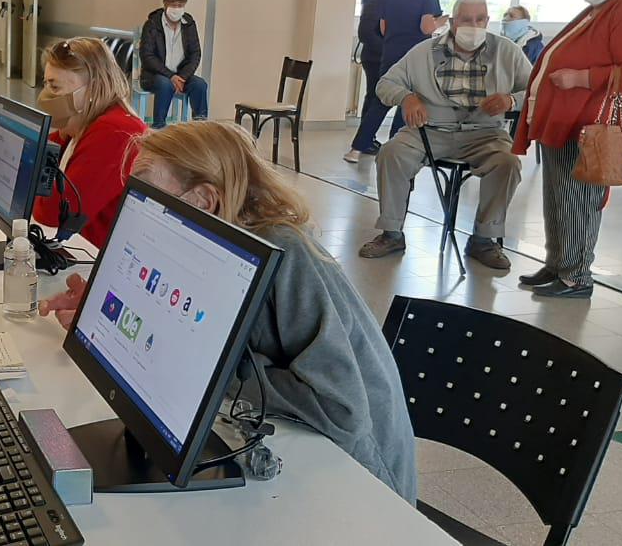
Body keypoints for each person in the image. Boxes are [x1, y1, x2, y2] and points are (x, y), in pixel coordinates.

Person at [39, 121, 418, 503]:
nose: (136, 205)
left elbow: (340, 409)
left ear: (204, 200)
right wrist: (106, 306)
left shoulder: (287, 255)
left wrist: (210, 372)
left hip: (367, 482)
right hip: (296, 455)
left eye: (148, 191)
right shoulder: (205, 246)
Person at [359, 0, 532, 270]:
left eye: (479, 19)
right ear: (452, 22)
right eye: (466, 20)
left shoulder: (507, 51)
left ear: (487, 21)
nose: (473, 25)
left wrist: (511, 100)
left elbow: (537, 90)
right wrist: (406, 97)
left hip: (485, 132)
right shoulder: (424, 52)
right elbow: (385, 83)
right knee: (391, 152)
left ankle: (483, 240)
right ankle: (391, 233)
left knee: (508, 163)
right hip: (429, 131)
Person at [513, 0, 622, 299]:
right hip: (565, 120)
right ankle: (558, 263)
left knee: (578, 200)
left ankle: (576, 276)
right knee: (558, 198)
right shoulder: (598, 10)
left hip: (588, 125)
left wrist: (582, 78)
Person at [33, 37, 147, 248]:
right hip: (81, 247)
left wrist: (30, 187)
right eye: (46, 84)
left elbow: (52, 214)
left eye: (54, 86)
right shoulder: (81, 123)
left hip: (97, 255)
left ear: (93, 89)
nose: (46, 95)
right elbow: (37, 153)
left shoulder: (116, 132)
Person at [374, 0, 447, 141]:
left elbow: (383, 27)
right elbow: (426, 28)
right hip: (415, 55)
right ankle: (395, 142)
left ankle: (358, 146)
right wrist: (441, 22)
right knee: (409, 100)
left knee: (380, 101)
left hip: (391, 50)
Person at [345, 0, 407, 163]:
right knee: (376, 98)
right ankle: (365, 141)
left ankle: (366, 140)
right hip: (376, 57)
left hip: (375, 56)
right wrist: (387, 49)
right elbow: (365, 32)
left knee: (372, 97)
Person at [138, 0, 208, 128]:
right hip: (154, 76)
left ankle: (201, 127)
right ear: (165, 4)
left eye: (180, 5)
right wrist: (170, 76)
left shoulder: (188, 24)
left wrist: (182, 77)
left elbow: (195, 54)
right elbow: (147, 56)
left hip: (182, 76)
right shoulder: (152, 24)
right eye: (173, 5)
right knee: (165, 84)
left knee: (200, 85)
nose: (176, 8)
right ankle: (158, 126)